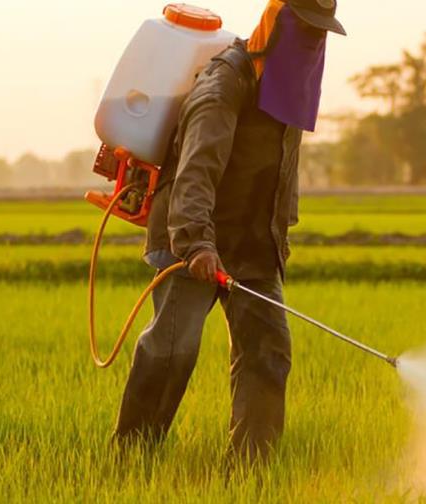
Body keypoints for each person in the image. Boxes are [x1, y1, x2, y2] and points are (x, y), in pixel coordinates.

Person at [112, 0, 346, 462]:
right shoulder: (224, 85)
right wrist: (197, 242)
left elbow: (283, 176)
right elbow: (197, 170)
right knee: (173, 349)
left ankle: (249, 474)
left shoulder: (287, 92)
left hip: (252, 243)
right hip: (190, 236)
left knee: (269, 353)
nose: (313, 42)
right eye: (305, 28)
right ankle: (132, 460)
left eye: (321, 33)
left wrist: (278, 240)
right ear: (277, 22)